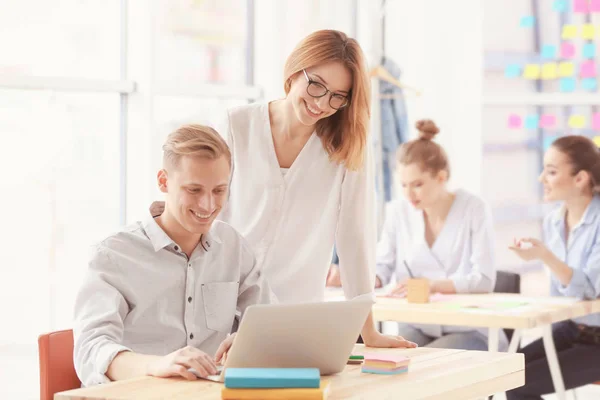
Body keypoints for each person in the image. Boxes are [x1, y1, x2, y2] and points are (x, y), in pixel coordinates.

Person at [73, 125, 272, 387]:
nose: (208, 205)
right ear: (164, 182)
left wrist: (252, 339)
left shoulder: (233, 246)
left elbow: (267, 318)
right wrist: (154, 365)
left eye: (219, 191)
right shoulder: (114, 254)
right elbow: (91, 349)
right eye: (194, 190)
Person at [373, 119, 504, 351]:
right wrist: (353, 278)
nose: (409, 194)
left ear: (441, 178)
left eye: (417, 185)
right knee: (392, 361)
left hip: (469, 328)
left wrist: (431, 285)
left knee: (425, 363)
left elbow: (484, 279)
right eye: (403, 185)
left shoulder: (473, 208)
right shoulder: (397, 211)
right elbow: (382, 268)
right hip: (418, 323)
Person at [506, 135, 600, 400]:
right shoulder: (553, 222)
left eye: (551, 171)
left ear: (580, 178)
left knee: (520, 385)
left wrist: (545, 256)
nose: (541, 179)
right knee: (503, 372)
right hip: (570, 329)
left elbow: (591, 290)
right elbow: (562, 296)